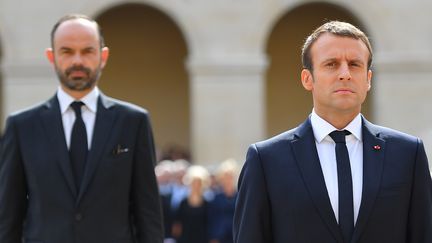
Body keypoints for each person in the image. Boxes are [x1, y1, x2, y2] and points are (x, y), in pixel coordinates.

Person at [233, 21, 432, 243]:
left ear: (368, 79)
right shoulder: (266, 160)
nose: (345, 74)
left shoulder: (407, 154)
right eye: (331, 64)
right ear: (307, 79)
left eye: (355, 64)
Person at [0, 14, 163, 243]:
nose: (78, 60)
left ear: (103, 56)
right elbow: (8, 218)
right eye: (67, 51)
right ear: (52, 57)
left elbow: (149, 214)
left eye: (87, 51)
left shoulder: (133, 122)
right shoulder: (22, 127)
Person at [172, 165, 211, 243]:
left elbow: (209, 224)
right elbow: (177, 224)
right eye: (194, 182)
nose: (196, 185)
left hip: (202, 239)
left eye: (198, 183)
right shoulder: (183, 203)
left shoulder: (207, 203)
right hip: (185, 239)